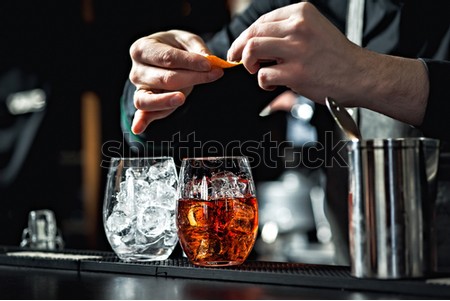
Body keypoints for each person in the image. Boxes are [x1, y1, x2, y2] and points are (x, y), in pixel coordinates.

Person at [122, 0, 450, 264]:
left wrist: (368, 73)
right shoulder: (308, 6)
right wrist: (155, 81)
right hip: (358, 282)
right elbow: (177, 126)